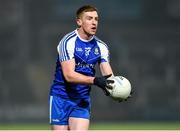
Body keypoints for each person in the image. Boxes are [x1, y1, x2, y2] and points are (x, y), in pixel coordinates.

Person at [49, 5, 115, 130]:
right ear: (79, 21)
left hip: (81, 100)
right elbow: (69, 76)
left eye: (96, 19)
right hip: (61, 97)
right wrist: (95, 80)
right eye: (89, 18)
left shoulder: (101, 46)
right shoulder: (67, 42)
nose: (94, 22)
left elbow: (108, 76)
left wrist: (118, 89)